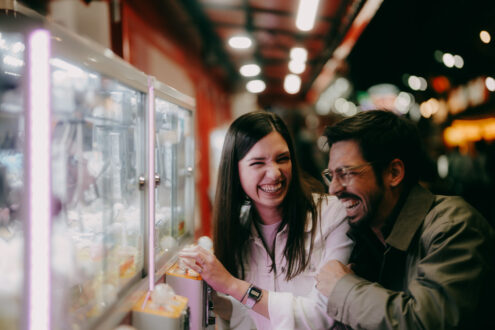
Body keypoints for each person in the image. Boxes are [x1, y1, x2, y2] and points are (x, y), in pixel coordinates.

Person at [315, 109, 495, 329]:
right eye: (331, 176)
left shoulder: (454, 225)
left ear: (394, 173)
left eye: (346, 173)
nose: (333, 189)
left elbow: (428, 323)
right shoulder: (361, 234)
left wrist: (342, 288)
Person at [179, 111, 353, 329]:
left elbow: (322, 316)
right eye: (258, 163)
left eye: (282, 159)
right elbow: (248, 319)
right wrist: (209, 295)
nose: (274, 173)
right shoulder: (237, 229)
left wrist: (232, 285)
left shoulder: (333, 215)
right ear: (236, 171)